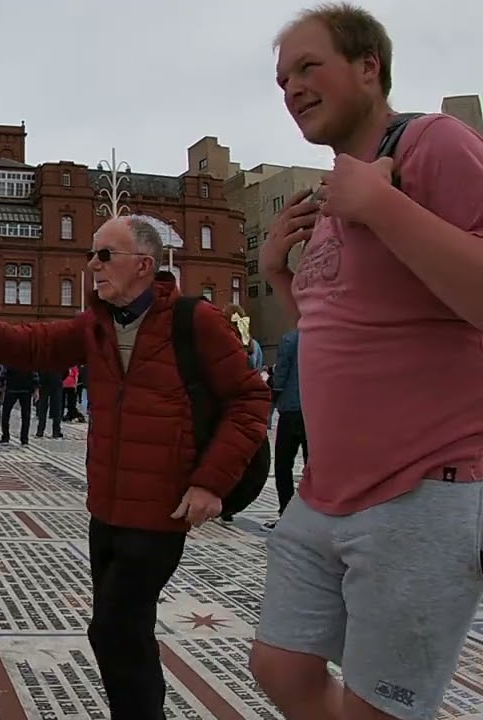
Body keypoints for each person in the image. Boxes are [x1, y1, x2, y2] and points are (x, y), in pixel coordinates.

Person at [0, 216, 269, 719]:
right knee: (119, 629)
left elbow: (250, 401)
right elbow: (34, 345)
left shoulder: (196, 321)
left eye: (105, 255)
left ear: (144, 265)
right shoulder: (99, 324)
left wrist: (210, 484)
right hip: (104, 510)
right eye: (93, 253)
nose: (93, 265)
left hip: (161, 508)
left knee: (116, 626)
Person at [250, 7, 483, 719]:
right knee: (280, 667)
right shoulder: (339, 187)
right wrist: (276, 272)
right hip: (327, 491)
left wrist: (381, 205)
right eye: (282, 77)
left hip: (421, 488)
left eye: (308, 67)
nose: (291, 88)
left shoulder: (433, 144)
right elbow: (339, 324)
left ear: (368, 67)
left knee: (378, 707)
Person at [265, 328, 306, 530]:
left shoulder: (290, 339)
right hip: (315, 410)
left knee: (283, 465)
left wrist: (275, 392)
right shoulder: (324, 337)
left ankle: (287, 512)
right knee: (313, 466)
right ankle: (311, 514)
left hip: (291, 408)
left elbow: (280, 374)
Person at [0, 365, 36, 445]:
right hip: (26, 390)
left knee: (6, 413)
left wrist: (1, 384)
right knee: (26, 415)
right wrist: (35, 389)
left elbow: (4, 373)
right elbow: (34, 375)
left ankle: (5, 436)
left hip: (12, 389)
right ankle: (24, 438)